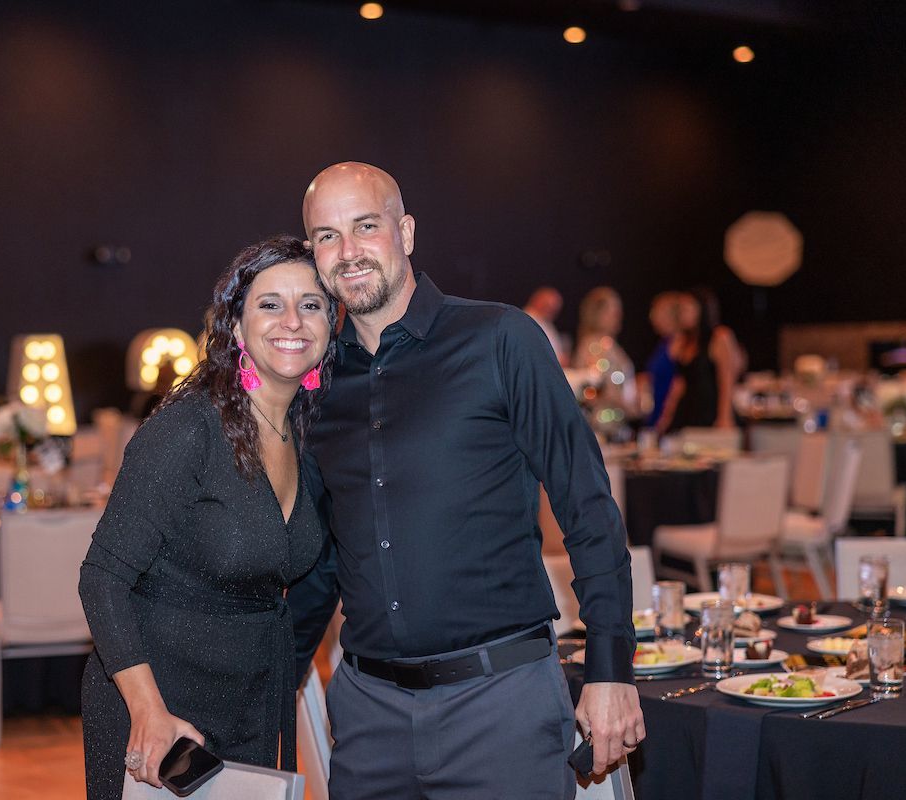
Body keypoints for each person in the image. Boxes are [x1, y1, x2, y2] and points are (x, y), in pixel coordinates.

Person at [288, 162, 642, 799]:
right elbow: (320, 562)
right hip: (370, 719)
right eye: (327, 236)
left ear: (407, 232)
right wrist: (263, 684)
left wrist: (610, 671)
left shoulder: (500, 339)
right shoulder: (318, 386)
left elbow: (587, 507)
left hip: (501, 705)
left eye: (365, 226)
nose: (348, 252)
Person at [78, 236, 336, 798]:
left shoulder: (305, 438)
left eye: (311, 304)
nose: (292, 320)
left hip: (251, 702)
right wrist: (147, 710)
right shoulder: (187, 430)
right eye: (270, 304)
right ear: (237, 328)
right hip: (158, 710)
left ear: (330, 325)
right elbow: (102, 577)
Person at [656, 287, 743, 434]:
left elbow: (727, 380)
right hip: (688, 413)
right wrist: (666, 416)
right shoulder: (681, 342)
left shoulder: (719, 337)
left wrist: (724, 417)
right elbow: (679, 384)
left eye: (688, 308)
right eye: (681, 309)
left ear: (702, 309)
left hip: (710, 411)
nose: (683, 314)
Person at [573, 286, 637, 414]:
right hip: (604, 421)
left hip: (615, 420)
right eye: (613, 312)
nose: (618, 317)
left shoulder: (608, 343)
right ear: (598, 314)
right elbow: (597, 387)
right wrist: (630, 407)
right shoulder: (596, 345)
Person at [642, 291, 683, 428]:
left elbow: (678, 384)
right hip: (656, 413)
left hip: (668, 419)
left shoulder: (679, 344)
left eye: (657, 311)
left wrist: (666, 418)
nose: (652, 317)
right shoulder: (663, 343)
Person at [523, 286, 571, 368]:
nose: (552, 310)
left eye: (555, 308)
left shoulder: (544, 321)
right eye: (548, 305)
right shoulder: (527, 320)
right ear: (538, 301)